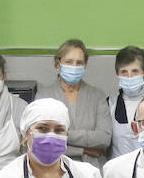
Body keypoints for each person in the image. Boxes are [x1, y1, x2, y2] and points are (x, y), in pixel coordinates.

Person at [36, 39, 112, 168]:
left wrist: (62, 134)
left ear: (85, 65)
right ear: (58, 64)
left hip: (92, 169)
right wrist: (84, 150)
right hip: (54, 168)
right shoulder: (44, 96)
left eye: (79, 63)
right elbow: (42, 141)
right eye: (69, 62)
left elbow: (104, 138)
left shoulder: (97, 95)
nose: (74, 66)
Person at [108, 45, 144, 158]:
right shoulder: (109, 104)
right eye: (124, 72)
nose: (129, 76)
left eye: (135, 71)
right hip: (117, 171)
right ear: (117, 73)